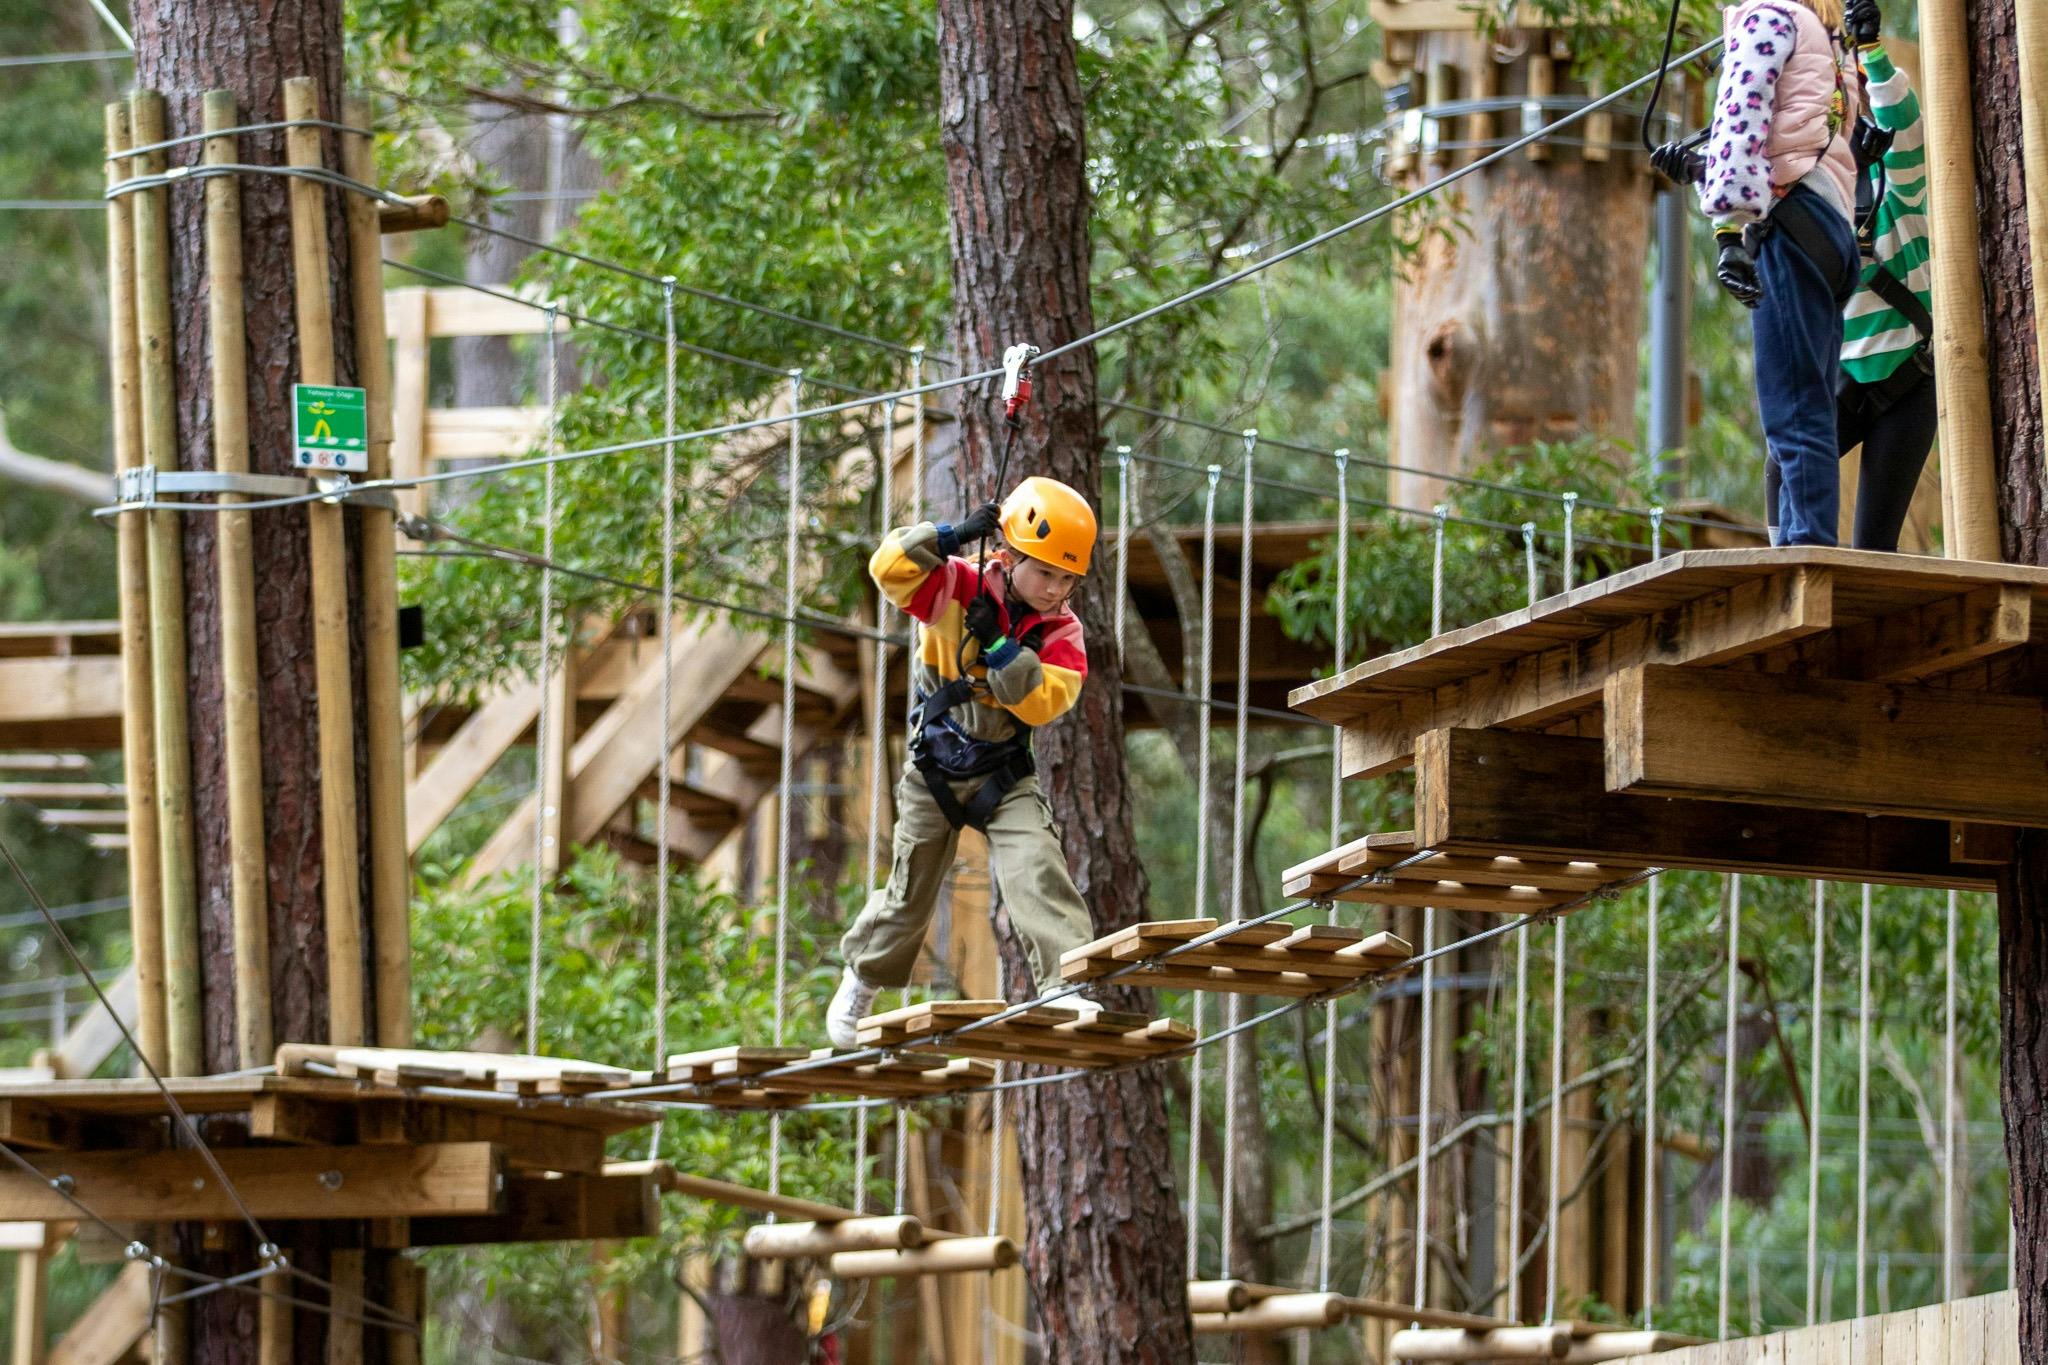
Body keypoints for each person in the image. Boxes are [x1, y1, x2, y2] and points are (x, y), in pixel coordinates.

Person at [825, 475, 1100, 1049]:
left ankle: (1064, 983)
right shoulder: (954, 584)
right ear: (1009, 555)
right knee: (911, 892)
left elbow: (1043, 703)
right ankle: (863, 977)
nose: (1055, 590)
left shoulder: (1063, 631)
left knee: (1037, 864)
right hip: (935, 770)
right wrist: (950, 536)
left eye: (1067, 579)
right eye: (1045, 573)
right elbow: (888, 569)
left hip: (1003, 776)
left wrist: (1000, 648)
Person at [1654, 0, 1862, 547]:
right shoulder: (1828, 35)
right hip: (1829, 226)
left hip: (1789, 225)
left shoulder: (1767, 18)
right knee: (1811, 406)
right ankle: (1802, 541)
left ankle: (1806, 550)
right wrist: (1702, 169)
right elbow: (1798, 134)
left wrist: (1729, 230)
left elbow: (1742, 116)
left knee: (1793, 412)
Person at [1762, 0, 1934, 551]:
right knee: (1782, 469)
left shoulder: (1899, 190)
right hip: (1839, 376)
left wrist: (1871, 50)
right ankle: (1783, 569)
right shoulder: (1809, 205)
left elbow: (1902, 123)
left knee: (1875, 545)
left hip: (1907, 378)